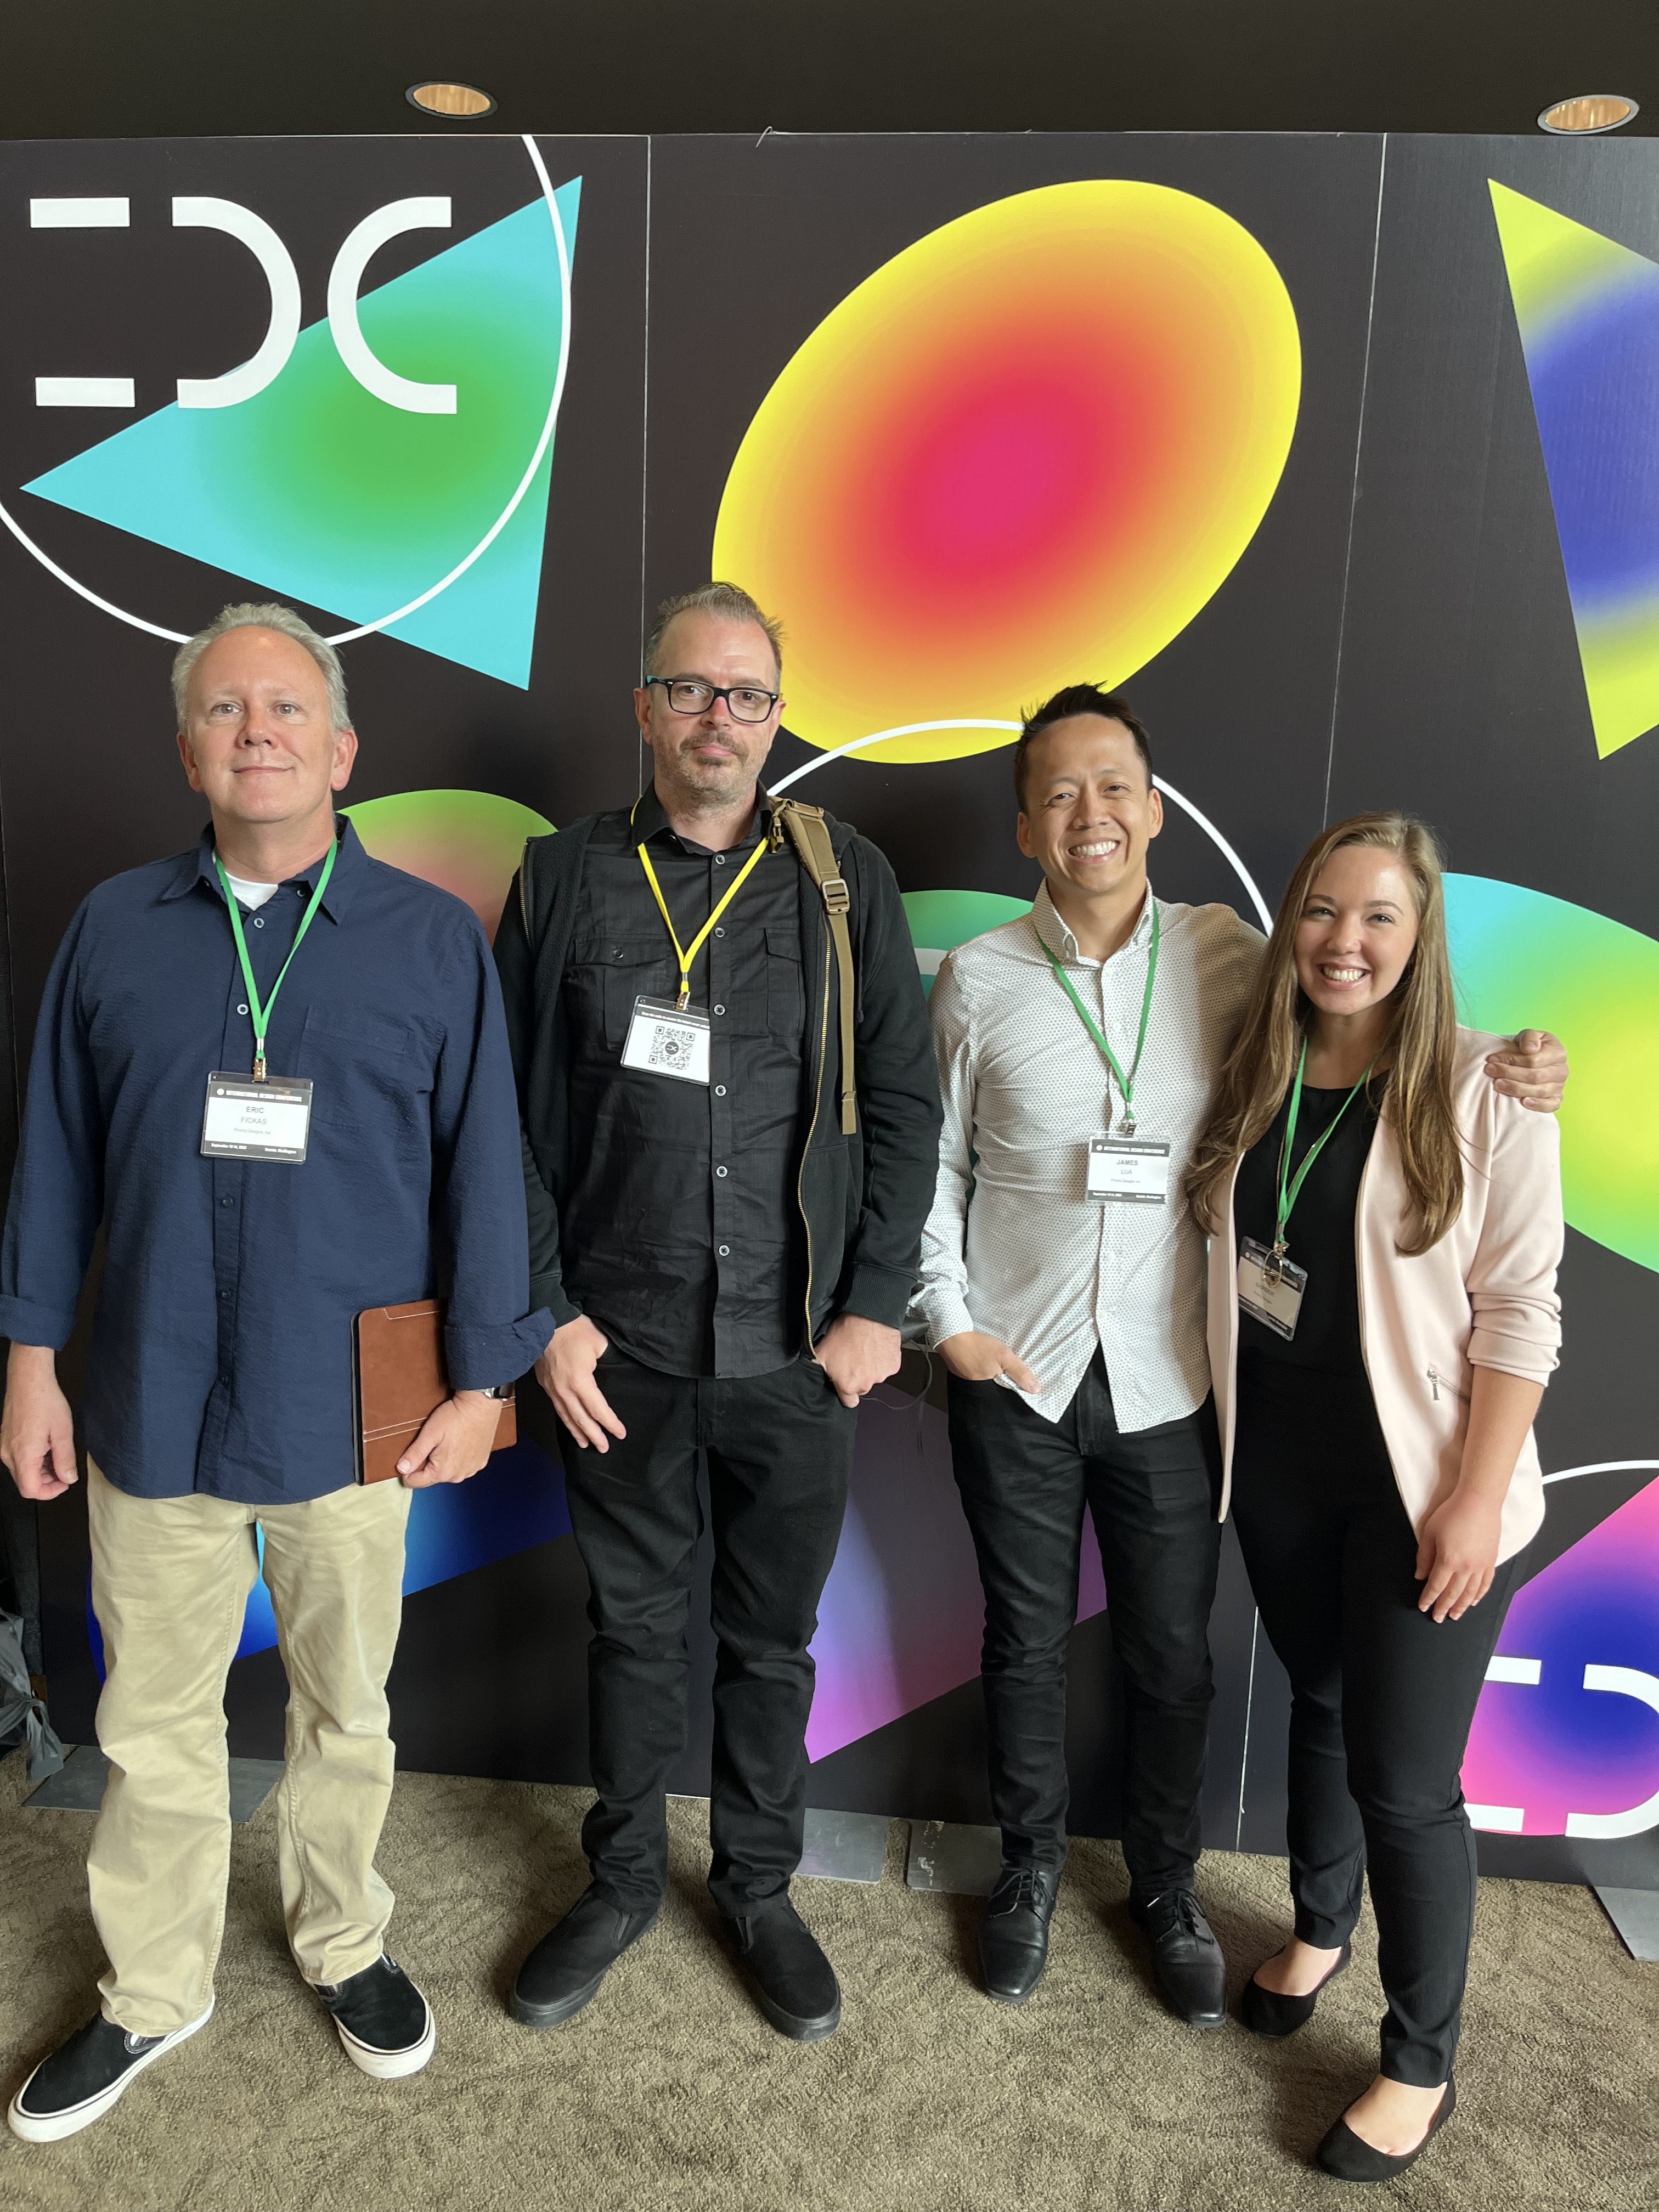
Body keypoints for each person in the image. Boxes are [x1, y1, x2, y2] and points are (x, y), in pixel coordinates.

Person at [911, 685, 1566, 2025]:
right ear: (1026, 826)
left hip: (1175, 1385)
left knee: (1175, 1660)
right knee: (1024, 1645)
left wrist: (1521, 1061)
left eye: (1114, 786)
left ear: (1153, 809)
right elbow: (931, 1169)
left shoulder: (1235, 957)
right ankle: (1030, 1870)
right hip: (1017, 1374)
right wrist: (950, 1324)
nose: (1090, 814)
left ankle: (1164, 1886)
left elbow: (1380, 1025)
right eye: (1058, 793)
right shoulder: (976, 978)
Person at [2, 605, 549, 2144]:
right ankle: (151, 1989)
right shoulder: (113, 928)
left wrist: (483, 1383)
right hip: (150, 1399)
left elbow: (486, 1176)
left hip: (353, 1417)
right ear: (189, 752)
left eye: (288, 708)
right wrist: (31, 1361)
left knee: (346, 1709)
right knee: (152, 1720)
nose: (258, 730)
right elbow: (52, 1157)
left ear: (343, 749)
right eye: (226, 709)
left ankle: (343, 1940)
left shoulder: (430, 940)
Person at [494, 582, 940, 2042]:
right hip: (615, 1350)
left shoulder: (843, 879)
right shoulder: (563, 879)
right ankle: (623, 1879)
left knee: (769, 1644)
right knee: (630, 1633)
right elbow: (503, 1123)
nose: (718, 720)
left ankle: (756, 1888)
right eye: (690, 690)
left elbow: (907, 1102)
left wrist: (874, 1307)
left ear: (776, 718)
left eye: (746, 696)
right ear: (645, 710)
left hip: (796, 1352)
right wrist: (547, 1313)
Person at [1186, 812, 1561, 2181]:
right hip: (1282, 1475)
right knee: (1323, 1705)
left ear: (1422, 936)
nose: (1345, 941)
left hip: (1424, 1492)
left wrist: (1472, 1501)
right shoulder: (1253, 1065)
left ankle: (1420, 2062)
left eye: (1380, 917)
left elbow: (1523, 1313)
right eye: (1323, 910)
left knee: (1405, 1783)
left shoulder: (1486, 1087)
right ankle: (1322, 1926)